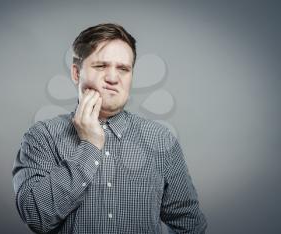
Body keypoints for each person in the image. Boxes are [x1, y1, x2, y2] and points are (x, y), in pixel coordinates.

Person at [12, 23, 207, 234]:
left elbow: (190, 223)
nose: (113, 78)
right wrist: (90, 145)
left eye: (123, 69)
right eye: (100, 66)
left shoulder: (161, 139)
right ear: (76, 73)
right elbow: (36, 217)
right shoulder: (43, 137)